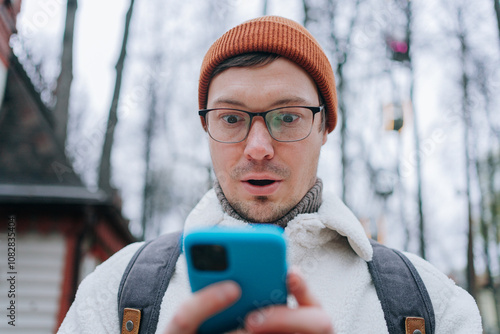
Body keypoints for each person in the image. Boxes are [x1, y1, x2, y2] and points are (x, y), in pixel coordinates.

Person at [57, 16, 482, 334]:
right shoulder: (115, 292)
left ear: (324, 128)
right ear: (206, 128)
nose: (258, 147)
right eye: (231, 119)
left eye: (288, 117)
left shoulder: (433, 306)